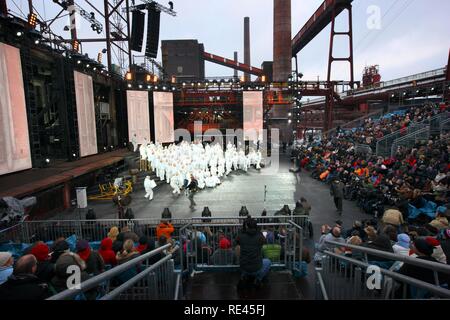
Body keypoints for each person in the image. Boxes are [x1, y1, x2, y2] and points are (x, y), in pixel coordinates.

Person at [235, 217, 271, 287]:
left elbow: (236, 242)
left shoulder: (241, 236)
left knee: (240, 252)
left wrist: (243, 231)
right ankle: (258, 279)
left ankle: (243, 276)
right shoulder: (259, 236)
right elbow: (265, 242)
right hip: (256, 267)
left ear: (246, 226)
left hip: (243, 266)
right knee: (268, 261)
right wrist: (259, 232)